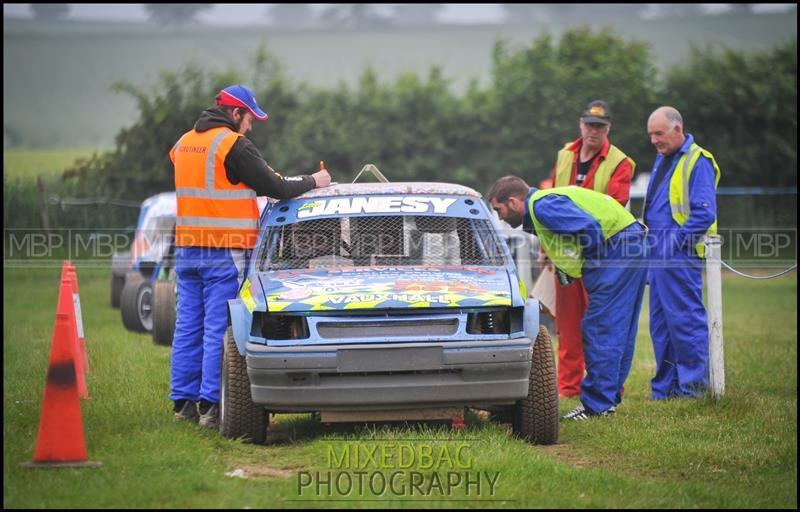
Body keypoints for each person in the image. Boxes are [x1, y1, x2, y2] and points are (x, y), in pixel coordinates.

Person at [169, 84, 331, 428]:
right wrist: (315, 180)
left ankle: (182, 404)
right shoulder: (232, 145)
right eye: (249, 118)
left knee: (187, 326)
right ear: (235, 113)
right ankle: (211, 407)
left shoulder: (183, 143)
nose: (251, 127)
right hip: (223, 251)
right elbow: (276, 186)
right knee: (218, 328)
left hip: (186, 249)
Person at [488, 176, 647, 419]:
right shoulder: (544, 203)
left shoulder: (542, 206)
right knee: (619, 329)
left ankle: (598, 406)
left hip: (617, 251)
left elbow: (589, 229)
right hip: (628, 245)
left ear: (513, 201)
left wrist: (594, 266)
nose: (500, 218)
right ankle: (607, 401)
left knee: (600, 327)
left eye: (499, 210)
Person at [548, 100, 635, 399]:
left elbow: (616, 205)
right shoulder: (564, 155)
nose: (593, 131)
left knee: (603, 323)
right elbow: (550, 198)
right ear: (580, 125)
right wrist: (547, 248)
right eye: (589, 124)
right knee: (568, 326)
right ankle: (568, 388)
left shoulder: (620, 162)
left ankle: (608, 387)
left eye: (599, 126)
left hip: (601, 255)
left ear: (608, 128)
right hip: (566, 256)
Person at [644, 106, 720, 399]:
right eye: (651, 134)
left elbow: (703, 215)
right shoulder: (663, 158)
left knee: (686, 323)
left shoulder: (697, 161)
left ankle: (694, 390)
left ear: (677, 129)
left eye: (658, 133)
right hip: (658, 256)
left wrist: (671, 245)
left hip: (679, 255)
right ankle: (665, 389)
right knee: (661, 327)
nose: (654, 140)